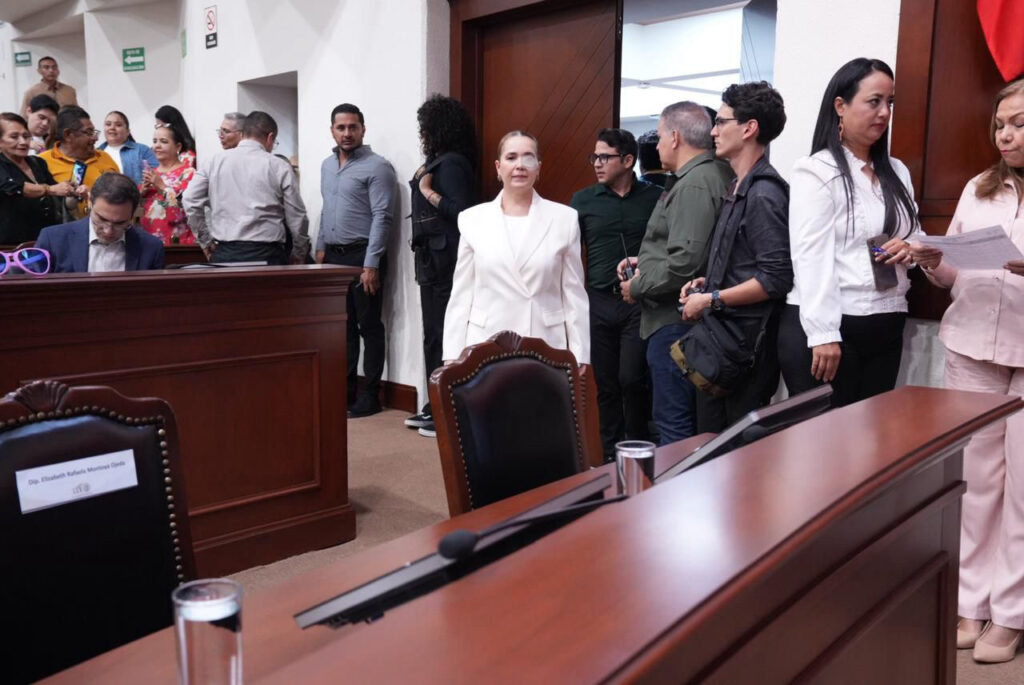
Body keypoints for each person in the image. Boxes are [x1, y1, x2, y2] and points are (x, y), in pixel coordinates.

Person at [907, 79, 1024, 664]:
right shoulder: (980, 189)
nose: (1006, 134)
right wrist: (934, 262)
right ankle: (969, 602)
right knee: (976, 483)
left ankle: (1011, 613)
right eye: (1000, 124)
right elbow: (956, 269)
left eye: (1019, 123)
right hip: (972, 343)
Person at [779, 58, 921, 408]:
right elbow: (811, 257)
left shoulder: (897, 171)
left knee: (874, 432)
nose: (884, 113)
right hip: (834, 325)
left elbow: (915, 232)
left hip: (888, 318)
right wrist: (824, 333)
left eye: (889, 102)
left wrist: (911, 248)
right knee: (827, 437)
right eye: (874, 101)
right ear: (840, 106)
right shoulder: (817, 170)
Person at [617, 102, 733, 445]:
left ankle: (676, 482)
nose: (656, 147)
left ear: (675, 137)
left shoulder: (695, 183)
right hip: (683, 320)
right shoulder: (707, 175)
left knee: (674, 425)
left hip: (674, 322)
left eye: (660, 137)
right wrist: (646, 259)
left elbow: (686, 262)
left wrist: (638, 286)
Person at [678, 82, 793, 431]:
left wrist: (711, 299)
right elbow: (745, 262)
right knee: (710, 446)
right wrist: (707, 283)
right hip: (724, 341)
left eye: (721, 122)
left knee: (733, 451)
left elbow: (775, 278)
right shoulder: (737, 185)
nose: (713, 131)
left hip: (744, 351)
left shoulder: (764, 193)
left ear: (749, 128)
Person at [443, 131, 589, 368]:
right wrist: (452, 355)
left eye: (528, 157)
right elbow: (461, 293)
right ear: (498, 167)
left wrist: (580, 357)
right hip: (485, 345)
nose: (520, 165)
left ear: (538, 167)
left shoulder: (565, 219)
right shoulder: (472, 219)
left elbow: (574, 296)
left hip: (545, 345)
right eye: (511, 157)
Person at [570, 128, 660, 460]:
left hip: (638, 300)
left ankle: (638, 448)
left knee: (632, 379)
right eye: (594, 157)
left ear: (627, 160)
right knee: (606, 384)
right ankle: (609, 454)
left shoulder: (656, 197)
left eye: (604, 157)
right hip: (597, 300)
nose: (596, 163)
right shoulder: (582, 201)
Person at [316, 103, 398, 418]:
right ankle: (345, 392)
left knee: (369, 326)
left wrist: (371, 264)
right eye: (341, 127)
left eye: (353, 127)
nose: (347, 133)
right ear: (332, 131)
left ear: (363, 129)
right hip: (333, 256)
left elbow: (383, 217)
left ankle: (371, 396)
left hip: (363, 255)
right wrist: (320, 248)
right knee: (342, 327)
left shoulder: (378, 167)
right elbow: (326, 208)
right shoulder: (326, 166)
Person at [405, 95, 477, 436]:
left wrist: (429, 193)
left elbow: (464, 213)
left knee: (445, 335)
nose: (423, 133)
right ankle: (434, 405)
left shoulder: (452, 165)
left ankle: (446, 409)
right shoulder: (438, 161)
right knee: (433, 334)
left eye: (426, 127)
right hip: (430, 260)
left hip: (446, 262)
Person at [183, 110, 310, 264]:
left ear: (243, 134)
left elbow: (189, 199)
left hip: (225, 253)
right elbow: (297, 215)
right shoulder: (279, 166)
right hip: (268, 254)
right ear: (270, 137)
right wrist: (299, 252)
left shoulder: (213, 162)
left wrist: (205, 240)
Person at [36, 172, 164, 272]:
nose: (108, 231)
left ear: (133, 213)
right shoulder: (53, 240)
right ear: (90, 202)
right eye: (102, 219)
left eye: (120, 223)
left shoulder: (151, 248)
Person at [0, 112, 75, 245]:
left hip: (45, 241)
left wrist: (71, 192)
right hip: (11, 247)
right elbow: (13, 187)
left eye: (26, 136)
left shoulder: (38, 163)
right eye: (14, 137)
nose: (23, 142)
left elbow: (57, 195)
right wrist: (50, 189)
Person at [38, 105, 119, 219]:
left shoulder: (104, 157)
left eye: (94, 132)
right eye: (89, 132)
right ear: (68, 135)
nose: (95, 138)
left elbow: (121, 194)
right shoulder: (42, 161)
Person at [139, 124, 196, 245]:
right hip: (149, 240)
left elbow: (186, 207)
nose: (157, 146)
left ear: (178, 146)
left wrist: (162, 186)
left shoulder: (188, 173)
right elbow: (137, 210)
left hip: (178, 241)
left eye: (163, 141)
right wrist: (141, 192)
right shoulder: (152, 173)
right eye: (155, 141)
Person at [98, 111, 158, 184]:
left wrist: (142, 188)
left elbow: (158, 176)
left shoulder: (142, 150)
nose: (112, 127)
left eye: (118, 125)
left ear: (128, 131)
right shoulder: (96, 153)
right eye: (108, 124)